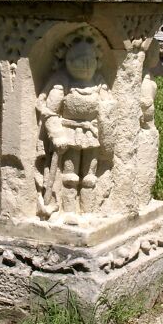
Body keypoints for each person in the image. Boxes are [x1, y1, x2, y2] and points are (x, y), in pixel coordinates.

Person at [37, 39, 114, 218]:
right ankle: (70, 212)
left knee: (89, 176)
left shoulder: (99, 82)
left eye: (90, 60)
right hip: (69, 134)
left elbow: (108, 108)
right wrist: (56, 134)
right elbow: (49, 112)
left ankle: (88, 211)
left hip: (93, 134)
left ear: (97, 61)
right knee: (69, 176)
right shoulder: (62, 82)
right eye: (80, 60)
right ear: (69, 62)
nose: (86, 65)